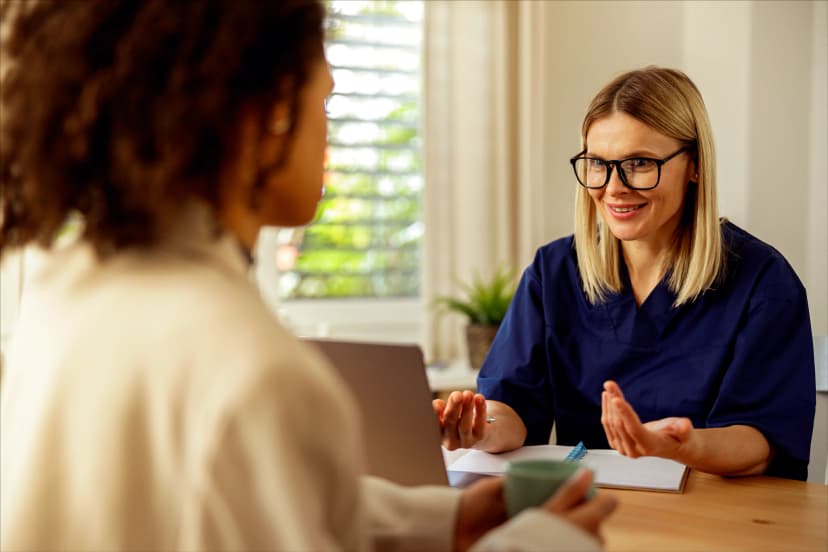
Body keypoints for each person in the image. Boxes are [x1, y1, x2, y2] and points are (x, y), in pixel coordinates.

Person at [0, 0, 617, 550]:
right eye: (323, 99)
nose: (330, 132)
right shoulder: (258, 375)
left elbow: (220, 498)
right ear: (258, 112)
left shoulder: (62, 292)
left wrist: (437, 519)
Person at [434, 66, 816, 482]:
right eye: (598, 163)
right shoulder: (555, 271)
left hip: (715, 514)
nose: (613, 187)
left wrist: (678, 446)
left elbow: (761, 442)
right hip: (593, 507)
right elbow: (511, 407)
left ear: (695, 165)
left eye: (639, 163)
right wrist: (478, 429)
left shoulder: (762, 282)